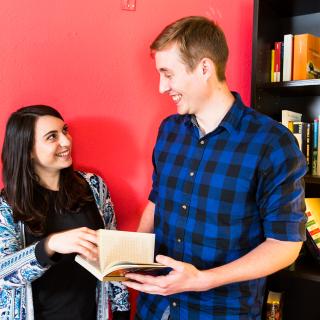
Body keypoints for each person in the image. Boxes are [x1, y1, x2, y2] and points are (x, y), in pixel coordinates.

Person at [123, 16, 307, 319]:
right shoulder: (169, 130)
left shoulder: (273, 144)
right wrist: (126, 258)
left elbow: (285, 244)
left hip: (220, 311)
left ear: (204, 68)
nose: (161, 87)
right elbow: (157, 202)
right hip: (156, 308)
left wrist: (204, 280)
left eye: (168, 74)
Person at [0, 105, 130, 320]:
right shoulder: (7, 204)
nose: (67, 141)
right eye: (52, 137)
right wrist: (50, 246)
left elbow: (114, 256)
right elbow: (3, 275)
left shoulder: (93, 186)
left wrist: (121, 313)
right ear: (28, 150)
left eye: (65, 130)